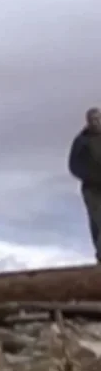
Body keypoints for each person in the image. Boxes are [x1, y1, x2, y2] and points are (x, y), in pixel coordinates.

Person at [68, 107, 101, 262]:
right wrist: (91, 176)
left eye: (98, 119)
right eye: (93, 119)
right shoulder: (81, 141)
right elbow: (74, 166)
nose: (96, 122)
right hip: (91, 188)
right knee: (98, 219)